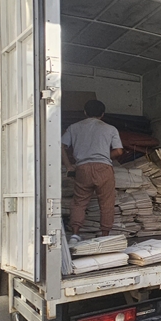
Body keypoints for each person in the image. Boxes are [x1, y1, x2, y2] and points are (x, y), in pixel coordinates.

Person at [62, 99, 124, 244]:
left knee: (79, 202)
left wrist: (69, 166)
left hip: (82, 168)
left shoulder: (73, 127)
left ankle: (75, 234)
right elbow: (119, 151)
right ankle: (104, 235)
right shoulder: (110, 129)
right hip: (104, 168)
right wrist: (104, 156)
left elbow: (61, 145)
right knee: (106, 202)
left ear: (85, 113)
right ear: (102, 114)